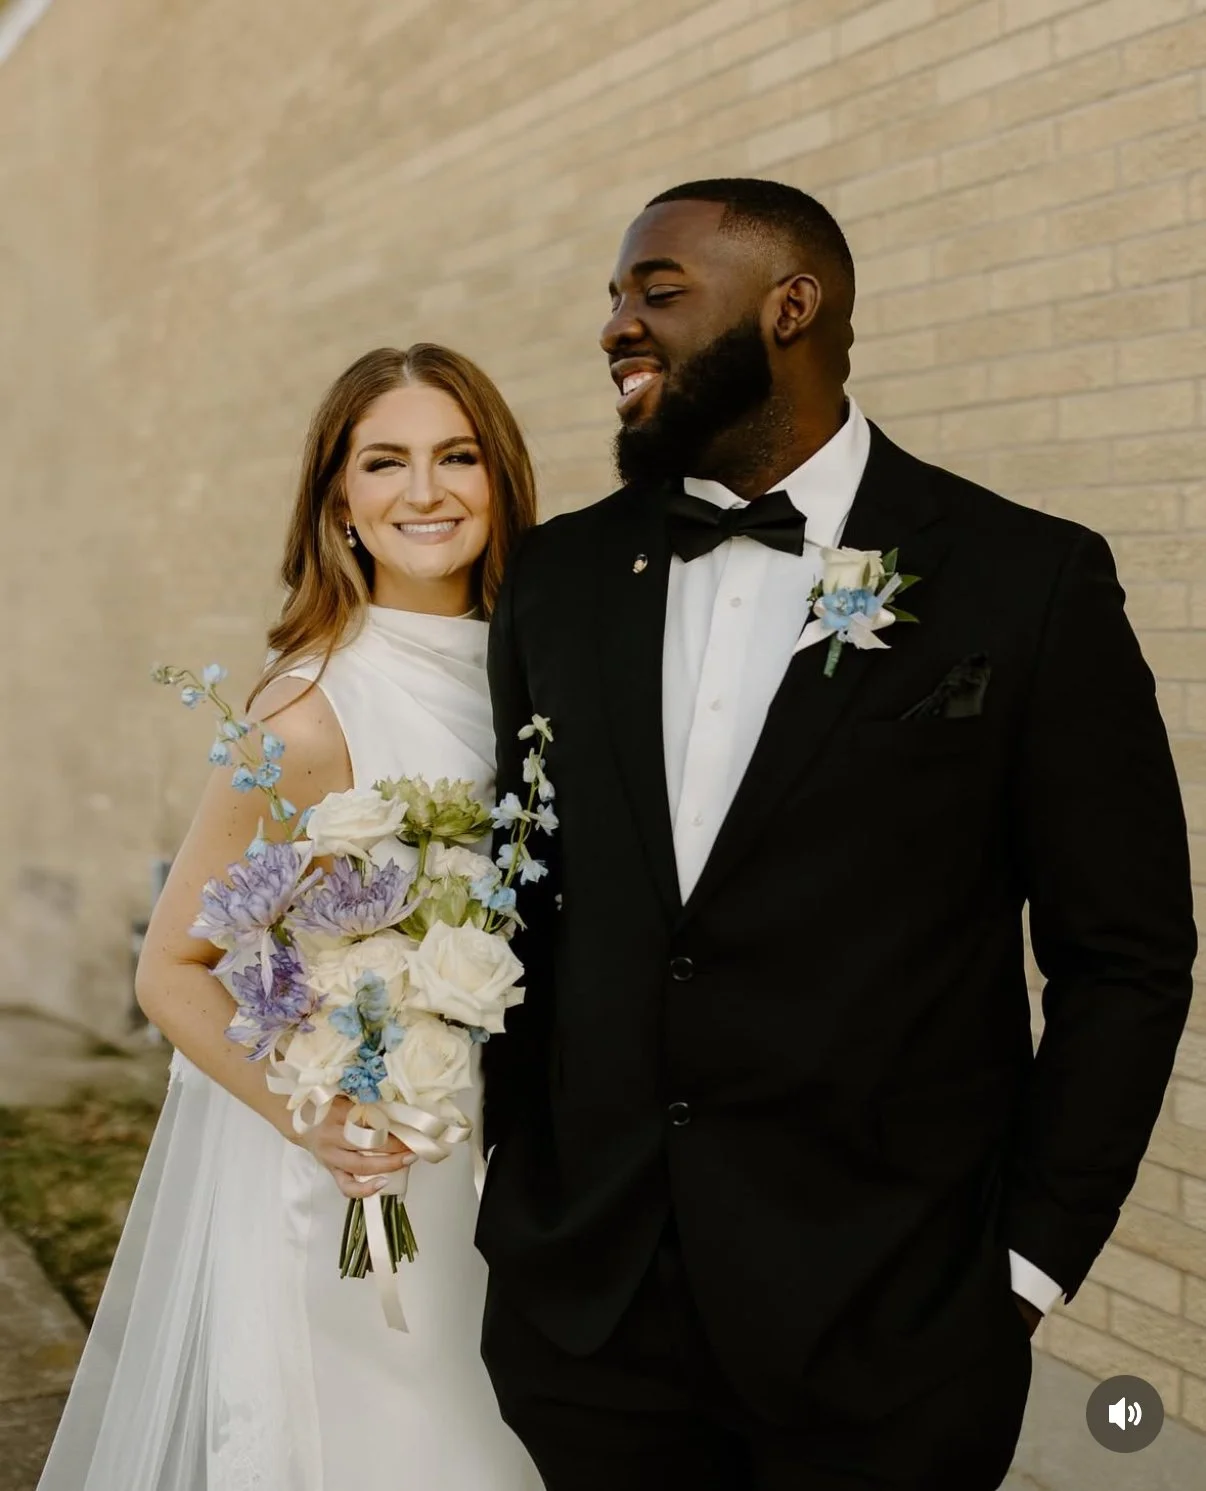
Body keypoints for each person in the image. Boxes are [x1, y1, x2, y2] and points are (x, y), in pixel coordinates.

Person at [478, 178, 1196, 1491]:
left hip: (892, 1337)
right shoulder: (556, 575)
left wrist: (1025, 1261)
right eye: (613, 300)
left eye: (657, 291)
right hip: (589, 1329)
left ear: (788, 306)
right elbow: (526, 897)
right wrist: (511, 1181)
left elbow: (1125, 953)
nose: (615, 328)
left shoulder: (1020, 578)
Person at [39, 345, 543, 1491]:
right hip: (380, 1180)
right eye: (386, 462)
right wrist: (311, 1120)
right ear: (340, 504)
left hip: (534, 1175)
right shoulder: (309, 711)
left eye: (457, 456)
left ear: (501, 478)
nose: (426, 492)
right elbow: (173, 966)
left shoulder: (548, 665)